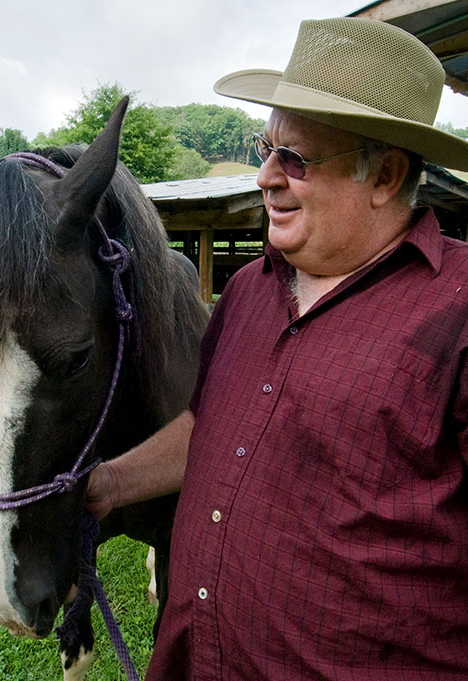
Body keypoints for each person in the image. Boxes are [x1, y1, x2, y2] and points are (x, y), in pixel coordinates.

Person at [87, 16, 468, 680]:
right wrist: (105, 485)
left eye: (294, 158)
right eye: (264, 147)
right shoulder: (247, 292)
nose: (264, 176)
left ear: (385, 174)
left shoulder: (458, 312)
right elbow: (209, 426)